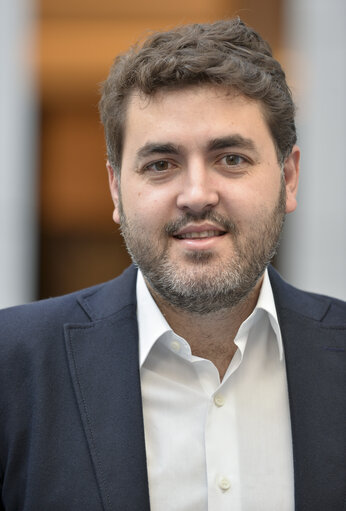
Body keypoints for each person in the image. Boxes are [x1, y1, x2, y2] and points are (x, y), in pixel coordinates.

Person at [0, 18, 345, 511]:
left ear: (288, 178)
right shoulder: (11, 366)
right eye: (161, 164)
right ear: (117, 189)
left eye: (231, 158)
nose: (197, 195)